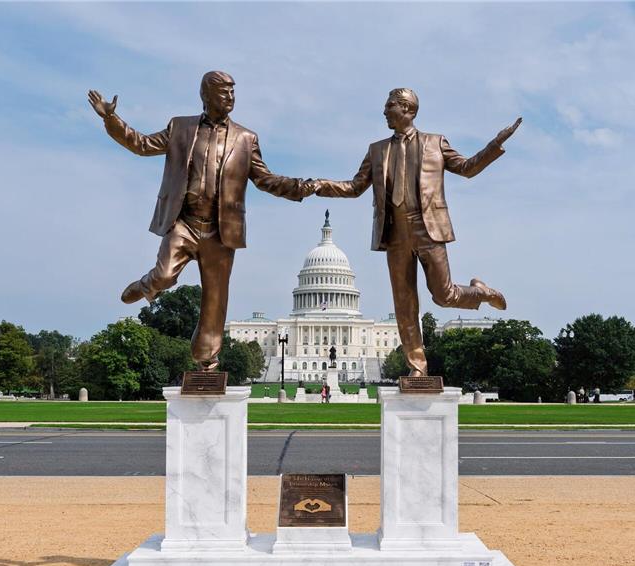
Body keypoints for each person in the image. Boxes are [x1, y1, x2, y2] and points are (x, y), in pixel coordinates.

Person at [88, 71, 314, 371]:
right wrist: (112, 120)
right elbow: (141, 144)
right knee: (165, 275)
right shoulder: (180, 127)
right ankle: (147, 285)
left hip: (220, 231)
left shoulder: (246, 138)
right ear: (206, 95)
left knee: (214, 302)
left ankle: (207, 359)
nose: (230, 98)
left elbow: (264, 179)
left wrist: (299, 187)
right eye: (224, 92)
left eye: (233, 92)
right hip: (184, 222)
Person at [309, 88, 521, 376]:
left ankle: (480, 292)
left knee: (443, 295)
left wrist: (495, 144)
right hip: (394, 233)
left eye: (389, 107)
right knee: (405, 304)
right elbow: (355, 187)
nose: (384, 112)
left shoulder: (435, 143)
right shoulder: (377, 150)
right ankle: (417, 368)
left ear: (407, 109)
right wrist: (319, 185)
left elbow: (468, 168)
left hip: (428, 228)